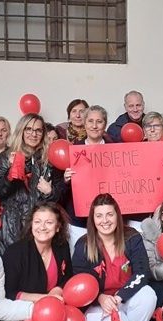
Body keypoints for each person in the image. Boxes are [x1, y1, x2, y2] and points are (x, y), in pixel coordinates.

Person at [72, 194, 156, 321]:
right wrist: (99, 298)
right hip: (99, 304)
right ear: (92, 219)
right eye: (99, 216)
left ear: (117, 215)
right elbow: (78, 281)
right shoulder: (83, 245)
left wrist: (120, 297)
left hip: (124, 297)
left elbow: (142, 272)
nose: (105, 220)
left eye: (110, 214)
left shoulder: (132, 237)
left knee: (148, 295)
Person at [0, 202, 73, 321]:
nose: (42, 227)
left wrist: (56, 292)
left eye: (49, 222)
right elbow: (9, 293)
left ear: (57, 227)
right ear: (31, 225)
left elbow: (68, 277)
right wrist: (45, 299)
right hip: (20, 313)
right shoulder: (16, 252)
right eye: (37, 222)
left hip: (50, 311)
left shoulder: (61, 246)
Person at [0, 113, 63, 254]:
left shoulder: (49, 158)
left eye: (38, 130)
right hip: (13, 224)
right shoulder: (7, 156)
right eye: (29, 129)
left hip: (40, 225)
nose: (33, 134)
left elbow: (59, 194)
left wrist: (51, 192)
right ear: (22, 131)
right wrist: (11, 173)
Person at [62, 105, 114, 253]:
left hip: (107, 221)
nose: (95, 126)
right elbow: (60, 192)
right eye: (90, 121)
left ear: (105, 124)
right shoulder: (72, 152)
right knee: (80, 261)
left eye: (99, 121)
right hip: (79, 222)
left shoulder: (116, 150)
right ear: (84, 124)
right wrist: (66, 180)